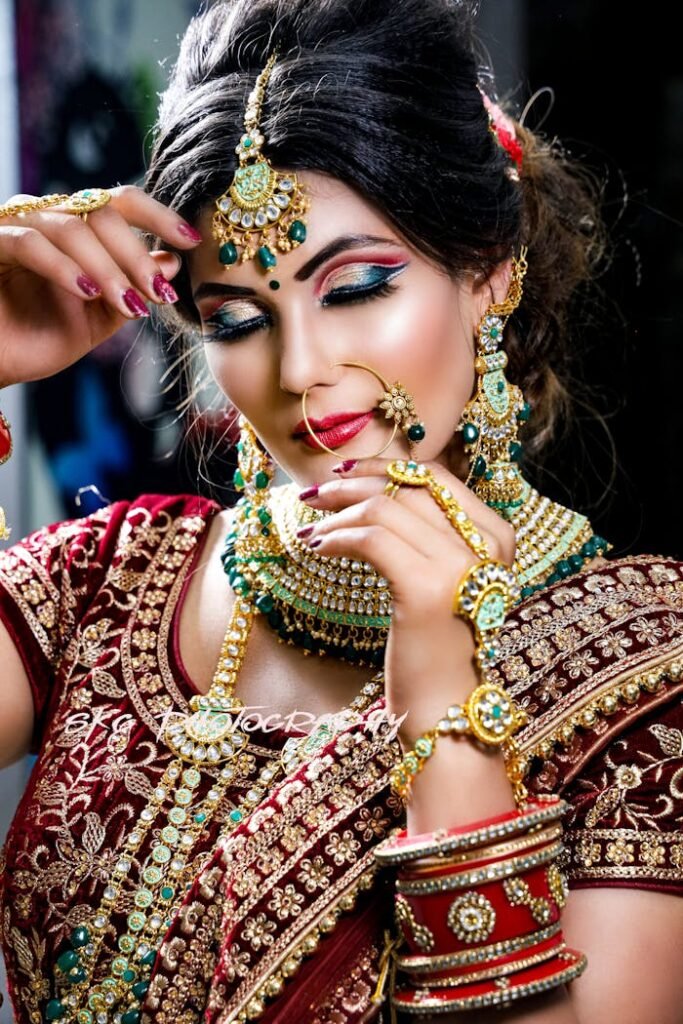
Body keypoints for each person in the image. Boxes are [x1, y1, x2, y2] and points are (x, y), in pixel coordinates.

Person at [0, 1, 682, 1021]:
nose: (303, 371)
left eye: (357, 284)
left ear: (489, 272)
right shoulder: (105, 583)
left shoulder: (641, 662)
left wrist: (449, 706)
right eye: (237, 315)